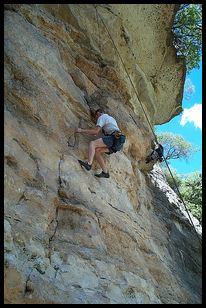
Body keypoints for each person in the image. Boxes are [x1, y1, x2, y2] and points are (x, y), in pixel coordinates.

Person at [75, 109, 125, 178]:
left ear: (98, 113)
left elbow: (96, 131)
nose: (97, 119)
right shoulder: (111, 118)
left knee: (93, 143)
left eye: (96, 117)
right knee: (97, 151)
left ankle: (89, 164)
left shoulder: (102, 117)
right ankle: (105, 172)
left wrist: (81, 130)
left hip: (113, 138)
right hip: (119, 142)